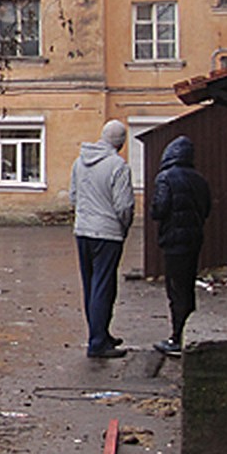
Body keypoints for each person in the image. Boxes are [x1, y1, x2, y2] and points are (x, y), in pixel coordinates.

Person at [69, 119, 135, 358]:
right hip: (108, 234)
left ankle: (100, 333)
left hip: (82, 231)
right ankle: (98, 343)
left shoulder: (80, 162)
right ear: (121, 142)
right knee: (104, 286)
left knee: (91, 286)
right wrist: (124, 227)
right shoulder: (118, 166)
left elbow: (73, 197)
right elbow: (124, 206)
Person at [149, 135, 211, 357]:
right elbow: (206, 209)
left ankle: (176, 337)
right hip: (193, 239)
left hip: (173, 240)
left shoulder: (165, 178)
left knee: (175, 289)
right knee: (187, 286)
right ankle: (186, 330)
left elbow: (158, 209)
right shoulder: (199, 179)